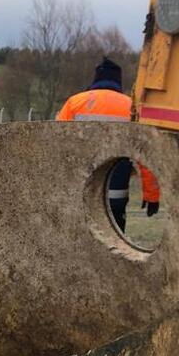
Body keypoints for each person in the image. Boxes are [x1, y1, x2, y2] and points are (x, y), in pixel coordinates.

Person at [55, 57, 160, 232]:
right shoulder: (133, 109)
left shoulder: (75, 103)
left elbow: (54, 145)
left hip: (78, 193)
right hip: (115, 197)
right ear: (119, 81)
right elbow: (146, 156)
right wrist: (152, 195)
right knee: (112, 251)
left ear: (96, 79)